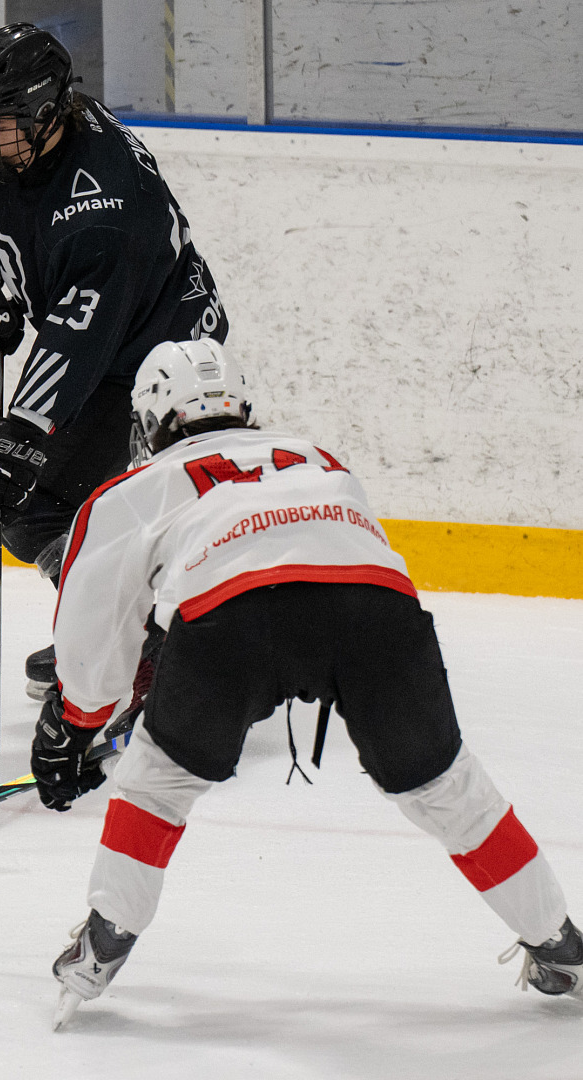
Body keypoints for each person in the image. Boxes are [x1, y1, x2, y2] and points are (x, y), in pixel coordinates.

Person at [34, 339, 581, 1026]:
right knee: (448, 786)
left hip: (231, 618)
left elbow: (93, 621)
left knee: (156, 783)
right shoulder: (319, 458)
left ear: (148, 418)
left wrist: (77, 723)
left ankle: (103, 943)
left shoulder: (133, 490)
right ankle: (560, 942)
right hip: (376, 609)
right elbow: (342, 554)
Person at [0, 23, 228, 699]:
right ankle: (123, 628)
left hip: (157, 356)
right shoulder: (39, 132)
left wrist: (20, 432)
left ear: (46, 115)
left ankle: (142, 647)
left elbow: (76, 339)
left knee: (39, 499)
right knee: (81, 506)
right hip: (122, 325)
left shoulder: (103, 216)